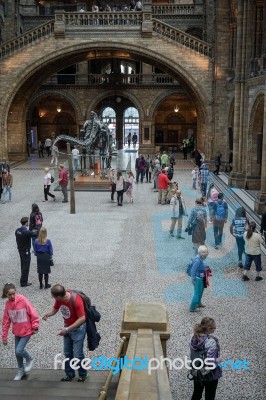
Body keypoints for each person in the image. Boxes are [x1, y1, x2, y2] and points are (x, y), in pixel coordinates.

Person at [42, 284, 87, 382]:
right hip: (67, 327)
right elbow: (55, 309)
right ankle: (69, 374)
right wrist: (48, 314)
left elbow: (82, 318)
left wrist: (66, 330)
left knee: (78, 354)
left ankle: (83, 374)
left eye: (53, 297)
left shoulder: (76, 300)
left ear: (59, 296)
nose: (53, 299)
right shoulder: (59, 299)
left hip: (78, 329)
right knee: (67, 352)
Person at [1, 283, 40, 381]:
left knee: (19, 350)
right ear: (6, 294)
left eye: (14, 293)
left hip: (27, 331)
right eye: (10, 294)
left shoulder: (23, 300)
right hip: (17, 332)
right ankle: (21, 370)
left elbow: (33, 312)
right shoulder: (7, 305)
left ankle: (30, 359)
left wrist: (35, 326)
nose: (12, 296)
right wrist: (4, 337)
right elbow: (6, 321)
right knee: (17, 353)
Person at [189, 317, 222, 398]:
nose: (215, 330)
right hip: (210, 374)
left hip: (196, 371)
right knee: (210, 395)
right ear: (209, 328)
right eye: (214, 328)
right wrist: (218, 360)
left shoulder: (193, 337)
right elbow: (210, 362)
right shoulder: (211, 341)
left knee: (196, 393)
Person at [189, 245, 209, 312]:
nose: (205, 253)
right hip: (198, 279)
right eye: (203, 252)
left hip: (202, 277)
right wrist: (192, 279)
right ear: (199, 252)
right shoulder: (197, 260)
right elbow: (193, 270)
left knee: (201, 291)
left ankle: (198, 303)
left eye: (206, 252)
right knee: (197, 293)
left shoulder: (201, 258)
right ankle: (192, 308)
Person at [15, 217, 34, 287]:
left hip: (20, 249)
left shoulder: (17, 230)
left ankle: (23, 279)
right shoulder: (26, 232)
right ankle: (23, 282)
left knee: (23, 264)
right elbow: (35, 234)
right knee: (26, 266)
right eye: (28, 222)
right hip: (26, 251)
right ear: (26, 222)